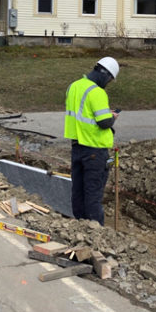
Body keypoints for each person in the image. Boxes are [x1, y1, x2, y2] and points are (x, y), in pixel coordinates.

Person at [63, 57, 120, 225]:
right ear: (106, 75)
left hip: (77, 148)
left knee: (78, 193)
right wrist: (112, 117)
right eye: (109, 80)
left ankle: (81, 229)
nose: (108, 83)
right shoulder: (97, 92)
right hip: (95, 151)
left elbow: (84, 113)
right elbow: (104, 123)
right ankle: (97, 237)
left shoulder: (73, 86)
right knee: (93, 196)